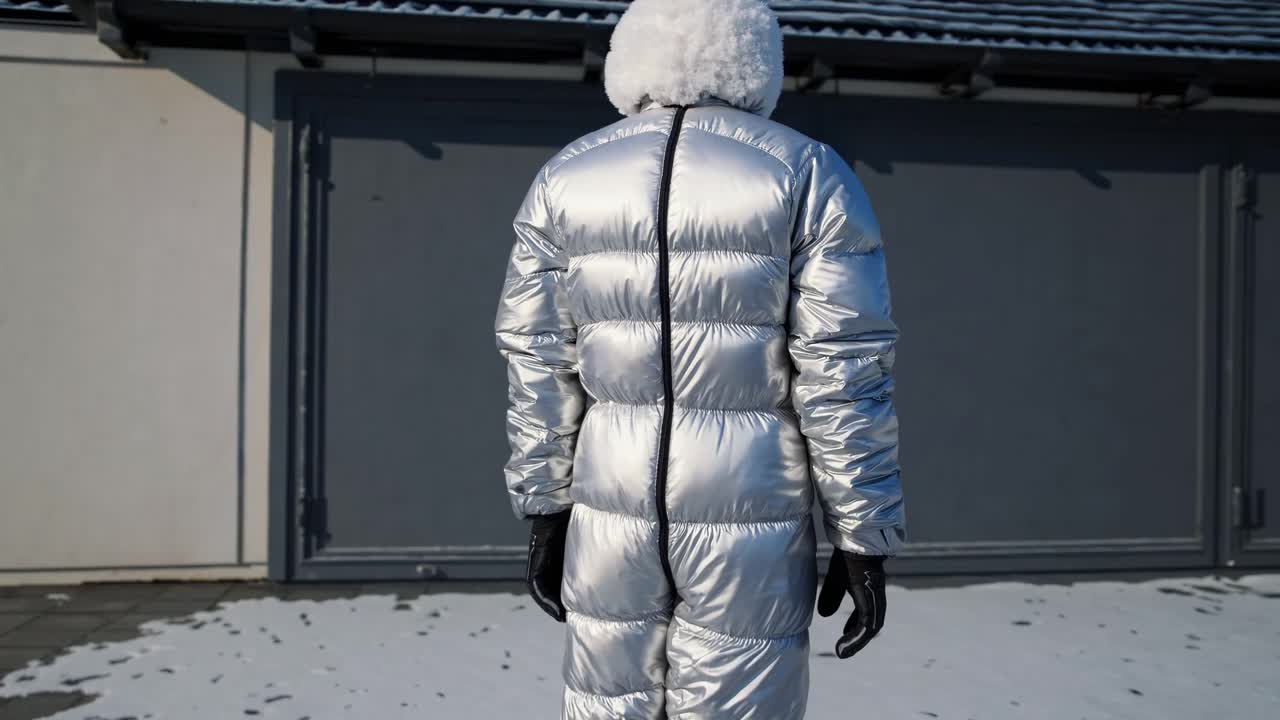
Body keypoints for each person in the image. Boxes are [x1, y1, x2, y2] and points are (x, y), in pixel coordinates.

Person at [494, 1, 906, 717]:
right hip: (752, 505)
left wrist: (545, 503)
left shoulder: (569, 174)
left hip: (609, 498)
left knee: (608, 703)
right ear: (754, 59)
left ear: (634, 58)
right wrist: (862, 527)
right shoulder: (806, 172)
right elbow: (843, 368)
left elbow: (536, 360)